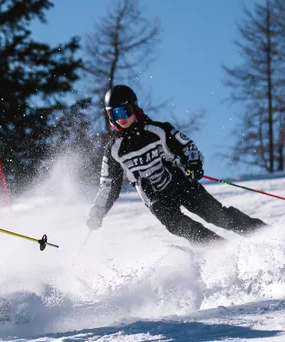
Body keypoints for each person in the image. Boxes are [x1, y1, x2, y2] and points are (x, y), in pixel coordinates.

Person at [87, 85, 266, 244]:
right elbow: (108, 185)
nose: (121, 118)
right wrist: (98, 211)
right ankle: (218, 246)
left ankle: (263, 234)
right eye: (114, 114)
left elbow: (187, 147)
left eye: (124, 111)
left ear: (134, 107)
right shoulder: (114, 150)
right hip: (154, 196)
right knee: (176, 225)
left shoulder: (158, 130)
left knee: (217, 216)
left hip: (180, 183)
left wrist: (194, 164)